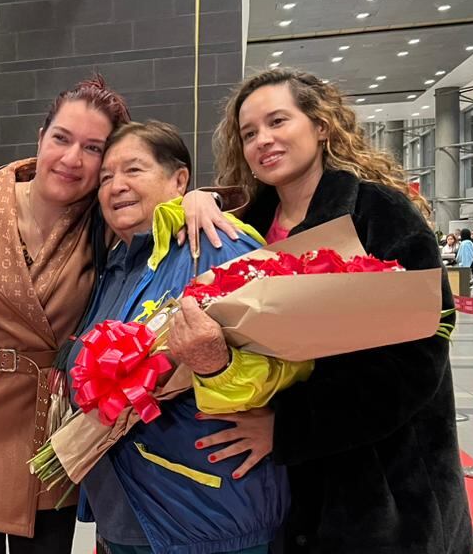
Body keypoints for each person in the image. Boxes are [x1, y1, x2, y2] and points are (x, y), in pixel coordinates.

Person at [176, 67, 472, 553]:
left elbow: (419, 358)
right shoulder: (246, 228)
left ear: (320, 126)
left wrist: (289, 427)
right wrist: (195, 199)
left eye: (277, 122)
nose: (262, 141)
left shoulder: (379, 212)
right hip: (282, 488)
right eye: (248, 134)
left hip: (382, 484)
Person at [65, 121, 306, 554]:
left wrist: (225, 373)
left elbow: (290, 359)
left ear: (179, 179)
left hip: (207, 517)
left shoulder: (214, 245)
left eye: (133, 170)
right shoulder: (118, 266)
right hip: (131, 513)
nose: (116, 186)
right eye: (105, 177)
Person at [0, 75, 130, 553]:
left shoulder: (109, 220)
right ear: (41, 136)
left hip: (51, 424)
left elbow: (167, 209)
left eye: (93, 148)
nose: (72, 159)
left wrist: (201, 201)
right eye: (61, 138)